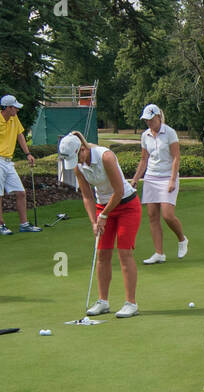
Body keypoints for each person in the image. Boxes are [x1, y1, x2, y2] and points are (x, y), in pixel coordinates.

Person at [57, 131, 141, 318]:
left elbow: (118, 191)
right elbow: (87, 196)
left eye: (78, 156)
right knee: (102, 253)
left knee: (124, 252)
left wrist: (103, 215)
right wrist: (94, 221)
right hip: (103, 208)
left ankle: (131, 303)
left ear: (83, 148)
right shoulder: (79, 167)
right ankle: (103, 301)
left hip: (127, 205)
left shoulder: (106, 157)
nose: (77, 161)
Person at [0, 94, 41, 235]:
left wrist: (28, 153)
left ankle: (24, 224)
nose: (17, 110)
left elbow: (20, 135)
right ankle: (1, 226)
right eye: (15, 107)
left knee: (21, 193)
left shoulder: (13, 118)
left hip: (8, 162)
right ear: (8, 108)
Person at [129, 103, 188, 264]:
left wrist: (172, 179)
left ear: (158, 117)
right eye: (146, 120)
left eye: (150, 119)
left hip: (168, 177)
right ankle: (159, 253)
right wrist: (135, 179)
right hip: (151, 178)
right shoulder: (145, 135)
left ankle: (182, 239)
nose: (148, 122)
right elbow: (144, 159)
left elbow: (176, 157)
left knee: (167, 215)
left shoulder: (170, 133)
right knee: (152, 216)